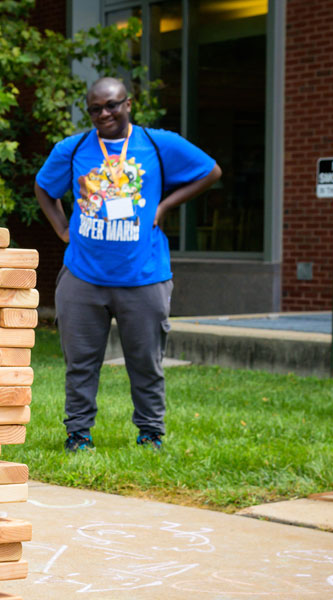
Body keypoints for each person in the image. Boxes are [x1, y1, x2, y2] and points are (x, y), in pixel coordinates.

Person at [34, 77, 221, 453]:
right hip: (83, 276)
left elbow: (210, 171)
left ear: (128, 103)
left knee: (146, 363)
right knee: (81, 364)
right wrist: (62, 229)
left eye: (112, 105)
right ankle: (78, 435)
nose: (104, 113)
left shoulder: (157, 143)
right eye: (95, 109)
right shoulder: (72, 150)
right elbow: (43, 187)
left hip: (144, 275)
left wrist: (166, 206)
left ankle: (151, 433)